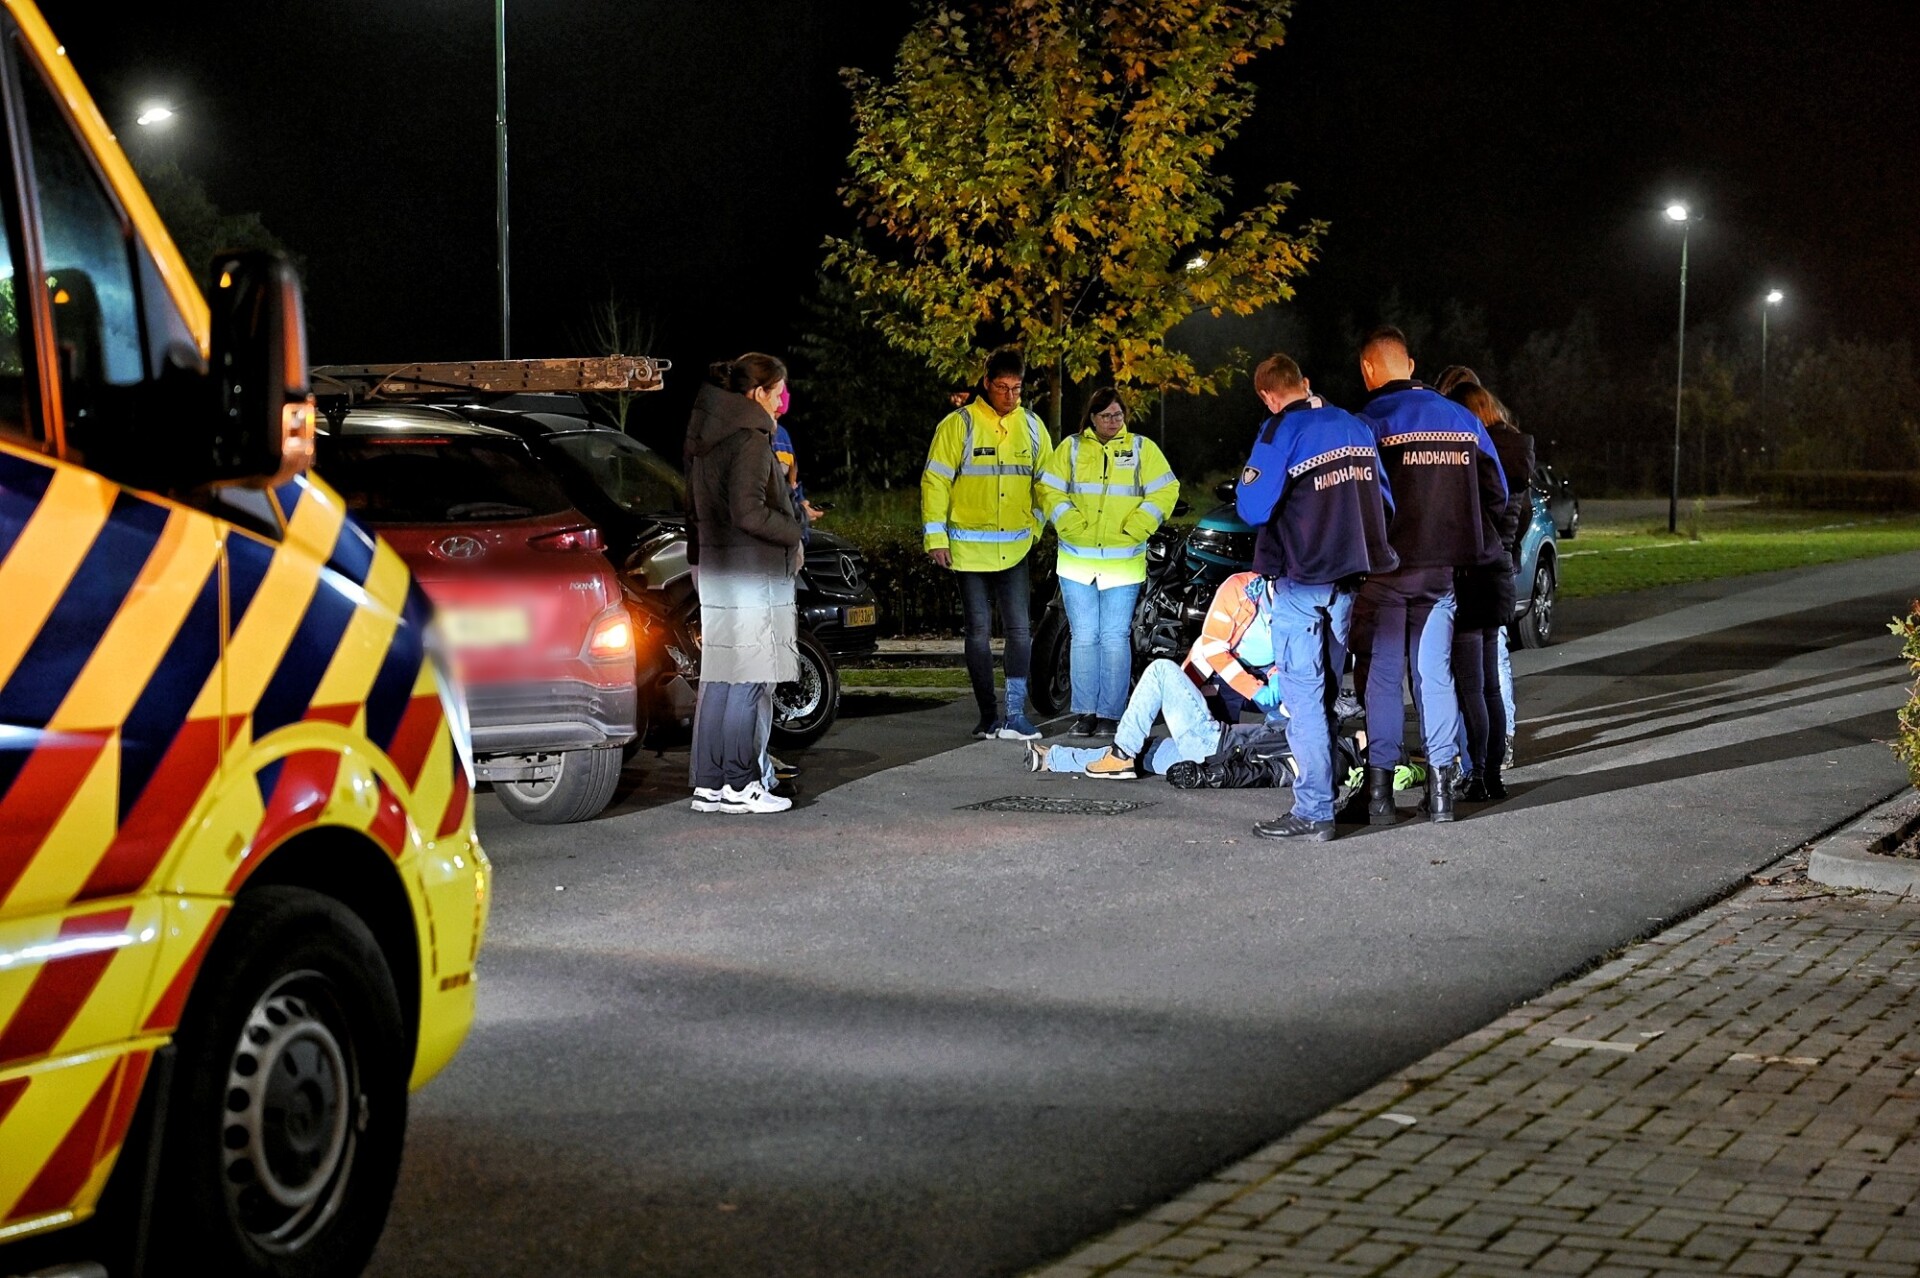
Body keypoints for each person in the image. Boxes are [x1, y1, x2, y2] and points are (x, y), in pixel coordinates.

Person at [1231, 352, 1397, 841]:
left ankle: (1314, 811)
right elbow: (1384, 499)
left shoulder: (1279, 431)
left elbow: (1252, 507)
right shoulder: (1352, 424)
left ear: (1266, 395)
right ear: (1305, 382)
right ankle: (1342, 792)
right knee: (1330, 690)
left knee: (1304, 698)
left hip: (1302, 582)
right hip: (1352, 579)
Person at [1350, 327, 1507, 825]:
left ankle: (1379, 796)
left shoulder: (1368, 421)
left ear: (1368, 370)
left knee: (1383, 677)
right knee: (1434, 676)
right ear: (1411, 365)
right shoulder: (1462, 419)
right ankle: (1442, 793)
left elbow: (1358, 496)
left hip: (1387, 571)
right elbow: (1496, 490)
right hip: (1444, 572)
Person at [684, 353, 804, 815]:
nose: (782, 402)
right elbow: (749, 512)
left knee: (719, 678)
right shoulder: (750, 441)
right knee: (749, 680)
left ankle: (710, 785)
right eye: (778, 393)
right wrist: (794, 530)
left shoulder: (705, 437)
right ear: (757, 394)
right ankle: (741, 783)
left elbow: (696, 511)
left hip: (716, 569)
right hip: (752, 572)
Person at [1027, 571, 1295, 779]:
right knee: (1148, 753)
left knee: (1159, 672)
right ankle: (1056, 759)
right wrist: (1269, 683)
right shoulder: (1243, 591)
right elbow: (1215, 648)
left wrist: (1272, 681)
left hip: (1216, 744)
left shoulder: (1303, 736)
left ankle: (1115, 755)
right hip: (1216, 750)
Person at [922, 347, 1053, 740]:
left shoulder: (1031, 426)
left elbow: (1046, 483)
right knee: (977, 632)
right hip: (967, 550)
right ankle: (988, 716)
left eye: (1016, 388)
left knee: (1019, 630)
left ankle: (1015, 714)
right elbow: (935, 482)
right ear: (986, 383)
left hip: (1015, 548)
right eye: (1002, 387)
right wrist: (935, 537)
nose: (1010, 396)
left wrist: (1036, 528)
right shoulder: (958, 425)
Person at [1038, 387, 1179, 737]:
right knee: (1085, 638)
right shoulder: (1070, 448)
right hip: (1077, 563)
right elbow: (1047, 489)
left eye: (1118, 415)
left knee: (1114, 638)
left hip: (1122, 562)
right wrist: (1067, 520)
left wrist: (1139, 525)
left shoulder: (1142, 449)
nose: (1113, 421)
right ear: (1092, 417)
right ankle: (1085, 713)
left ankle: (1110, 715)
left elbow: (1166, 489)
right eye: (1106, 416)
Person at [1448, 380, 1533, 799]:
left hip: (1473, 573)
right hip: (1500, 570)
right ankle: (1493, 775)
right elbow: (1523, 514)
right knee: (1491, 687)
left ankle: (1478, 773)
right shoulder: (1517, 453)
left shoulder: (1478, 458)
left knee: (1471, 687)